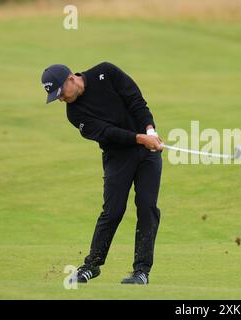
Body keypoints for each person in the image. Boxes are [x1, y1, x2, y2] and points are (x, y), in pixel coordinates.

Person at [41, 62, 163, 285]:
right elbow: (108, 133)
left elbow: (135, 99)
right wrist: (140, 138)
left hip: (148, 151)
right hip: (118, 157)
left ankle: (142, 271)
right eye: (55, 96)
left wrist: (150, 130)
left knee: (147, 207)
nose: (60, 99)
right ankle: (92, 265)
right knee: (113, 211)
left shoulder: (105, 72)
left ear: (70, 78)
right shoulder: (74, 114)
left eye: (60, 93)